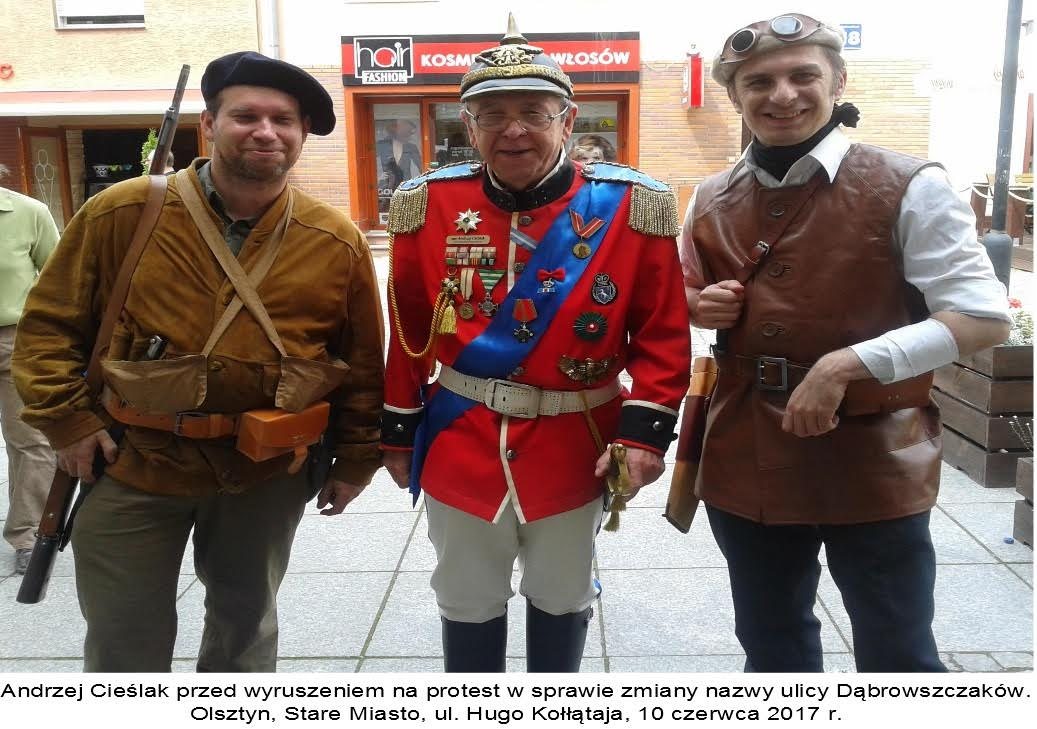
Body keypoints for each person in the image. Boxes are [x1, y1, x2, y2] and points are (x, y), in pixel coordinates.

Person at [12, 51, 385, 672]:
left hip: (264, 472)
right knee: (123, 642)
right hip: (132, 461)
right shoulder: (124, 211)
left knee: (245, 634)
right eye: (246, 116)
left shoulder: (333, 237)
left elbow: (362, 362)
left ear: (302, 134)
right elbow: (50, 326)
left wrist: (356, 457)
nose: (265, 132)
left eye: (283, 120)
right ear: (209, 125)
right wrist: (69, 422)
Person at [681, 12, 1011, 672]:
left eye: (802, 76)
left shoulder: (909, 185)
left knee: (898, 655)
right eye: (758, 82)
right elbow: (680, 294)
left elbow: (981, 317)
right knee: (771, 648)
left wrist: (847, 364)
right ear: (735, 96)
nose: (782, 95)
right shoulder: (709, 198)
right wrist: (694, 302)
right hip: (745, 450)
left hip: (873, 452)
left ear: (838, 82)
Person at [382, 15, 690, 673]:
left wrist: (642, 437)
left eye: (533, 112)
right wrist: (398, 430)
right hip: (461, 440)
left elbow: (662, 335)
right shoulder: (427, 204)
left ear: (567, 120)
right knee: (465, 598)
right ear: (469, 127)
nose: (513, 129)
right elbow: (408, 330)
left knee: (562, 595)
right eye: (492, 115)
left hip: (577, 443)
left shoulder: (630, 206)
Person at [0, 164, 58, 576]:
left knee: (31, 439)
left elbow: (59, 279)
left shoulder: (29, 212)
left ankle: (28, 534)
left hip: (15, 340)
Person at [376, 118, 423, 192]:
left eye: (411, 133)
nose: (410, 135)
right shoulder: (382, 145)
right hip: (387, 186)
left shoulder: (411, 147)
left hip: (405, 186)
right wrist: (378, 177)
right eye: (408, 132)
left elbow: (421, 167)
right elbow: (369, 163)